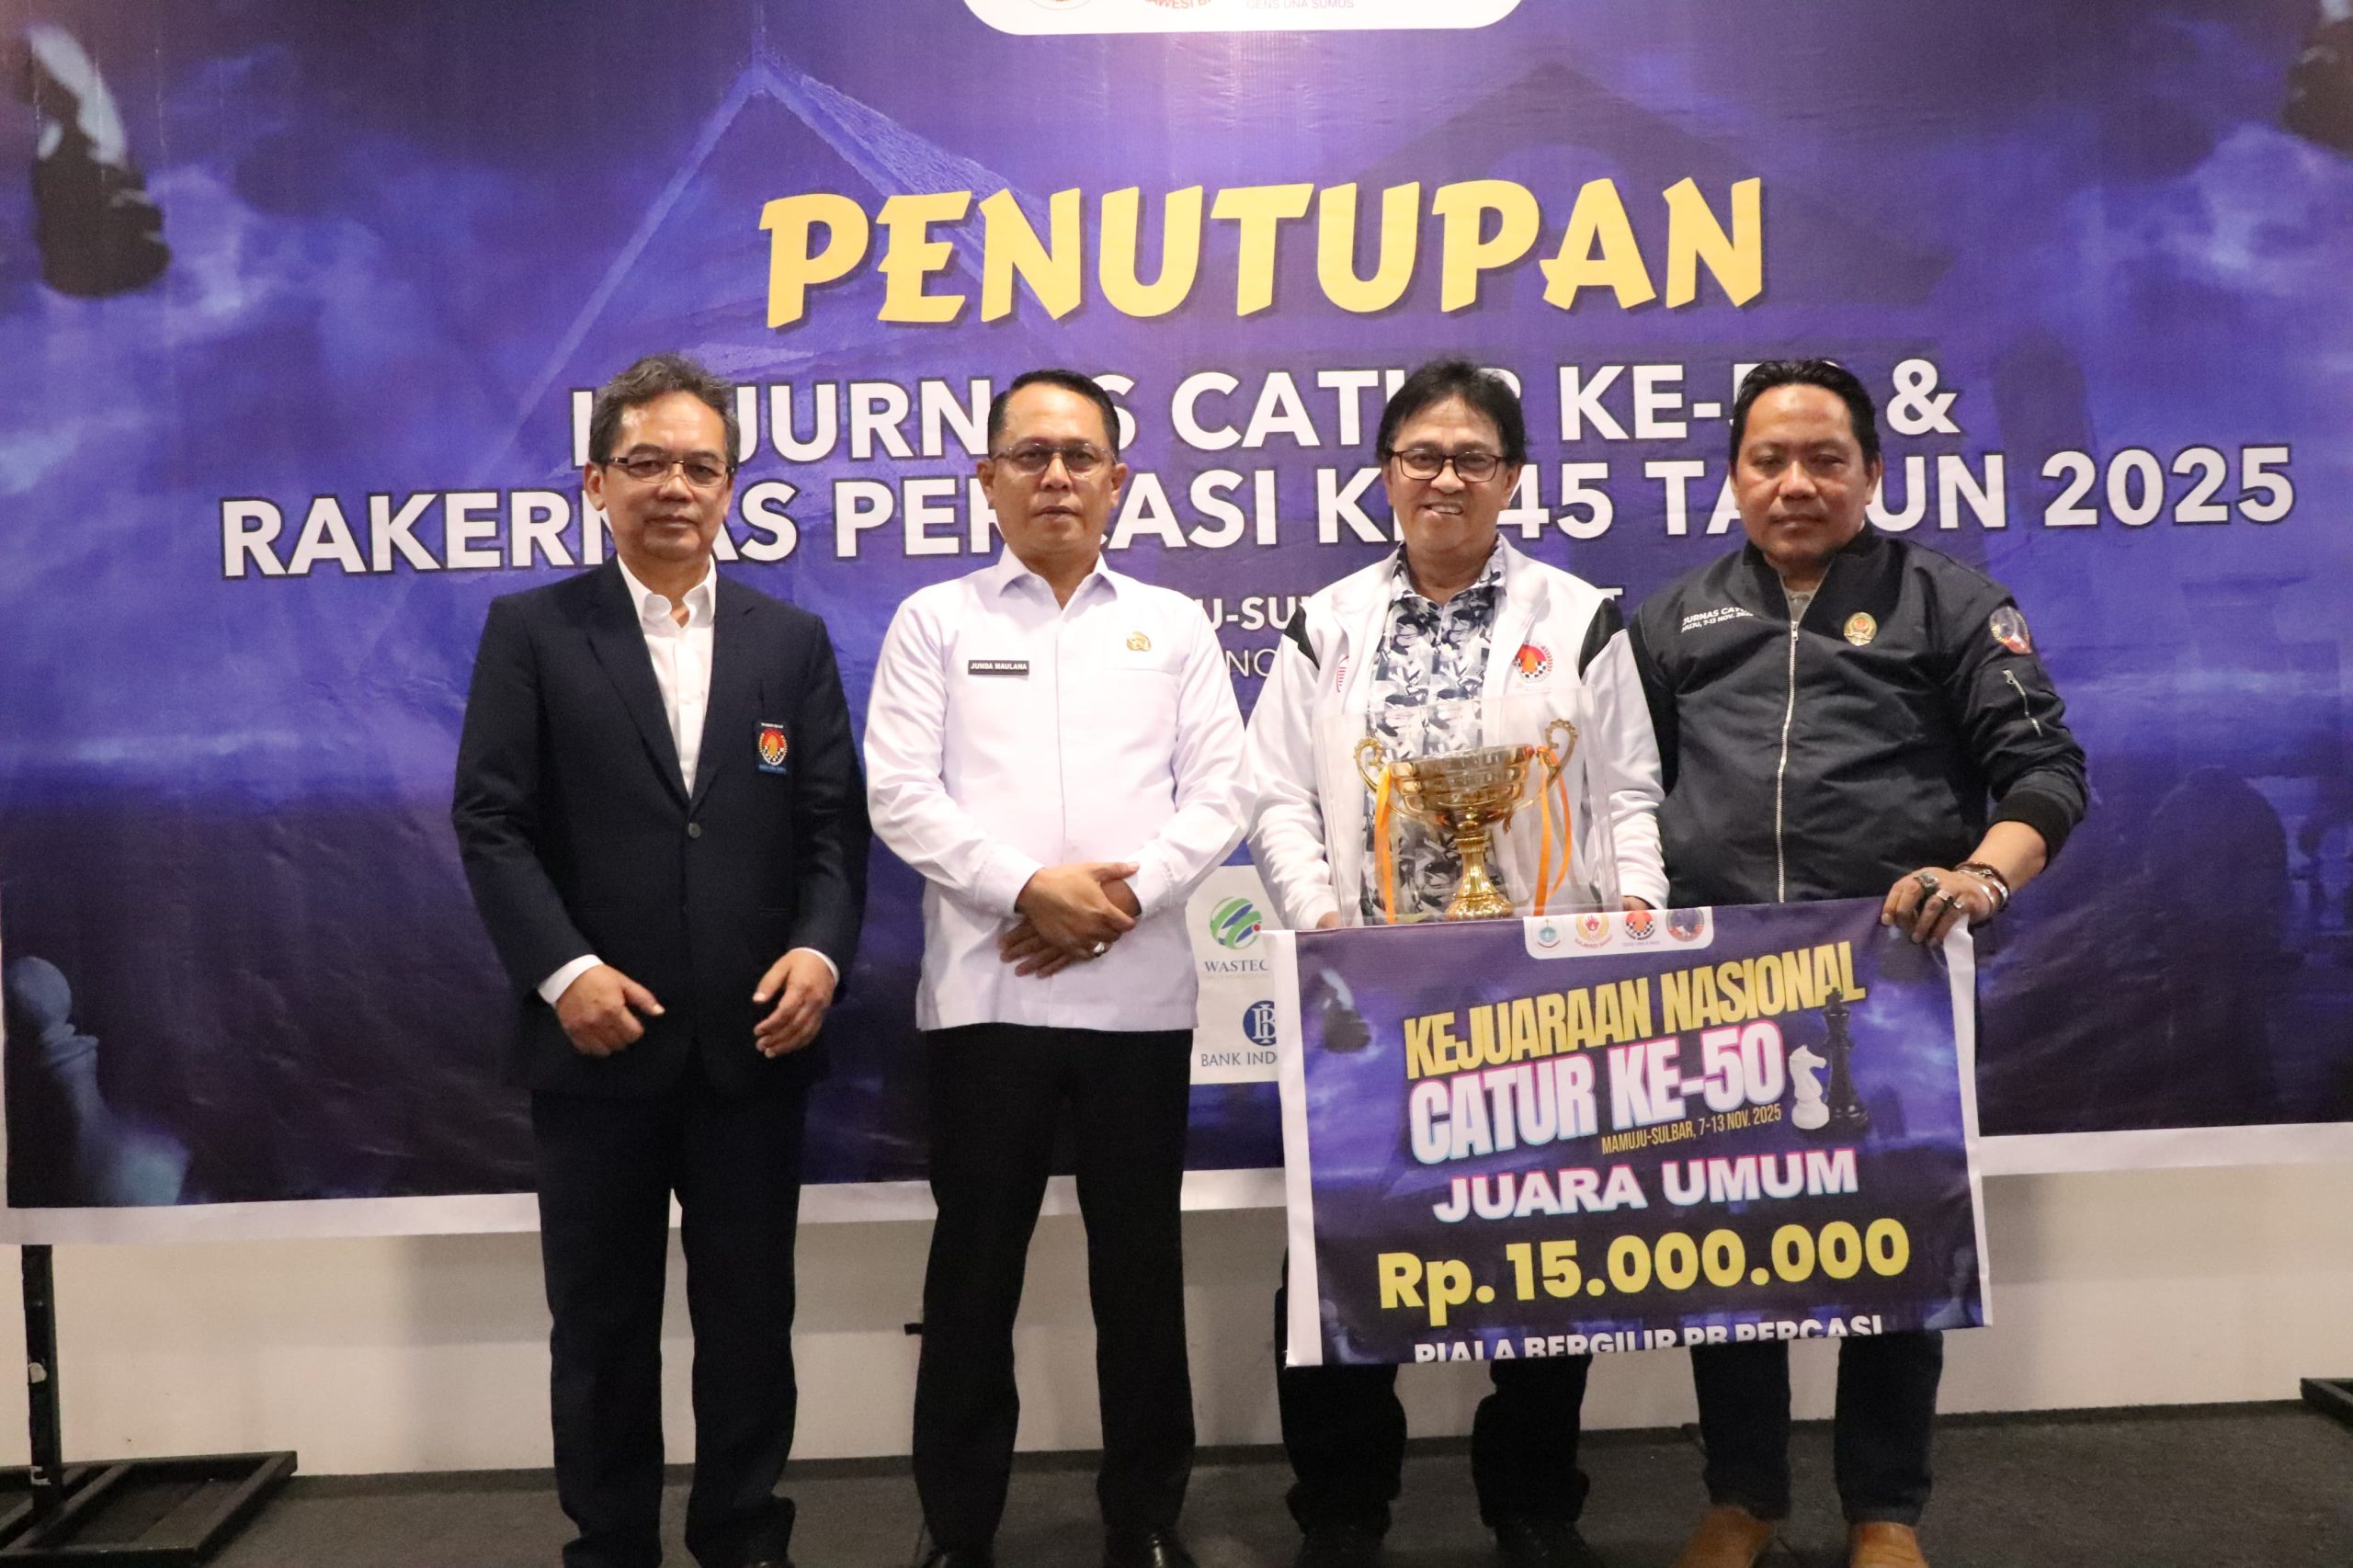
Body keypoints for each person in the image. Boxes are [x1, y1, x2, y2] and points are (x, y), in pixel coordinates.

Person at [1623, 359, 2087, 1568]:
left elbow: (2045, 773)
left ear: (1872, 472)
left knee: (1896, 1248)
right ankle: (1743, 1497)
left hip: (1894, 979)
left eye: (1824, 459)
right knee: (1727, 1248)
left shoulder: (1951, 602)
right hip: (1716, 986)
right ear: (1732, 477)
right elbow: (1625, 797)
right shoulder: (1670, 622)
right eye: (1768, 460)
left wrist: (1980, 877)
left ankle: (1885, 1508)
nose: (1796, 482)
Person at [1245, 359, 1668, 1568]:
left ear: (1512, 478)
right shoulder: (1325, 623)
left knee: (1541, 1249)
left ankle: (1533, 1502)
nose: (1445, 478)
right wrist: (1324, 920)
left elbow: (1627, 791)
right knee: (1342, 1249)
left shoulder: (1578, 617)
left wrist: (1636, 915)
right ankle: (1342, 1505)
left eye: (1471, 458)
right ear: (1387, 475)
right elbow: (1273, 795)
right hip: (1368, 998)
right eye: (1422, 457)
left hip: (1535, 993)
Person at [452, 353, 869, 1568]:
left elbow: (832, 829)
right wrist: (564, 973)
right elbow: (491, 820)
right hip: (596, 1047)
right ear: (596, 481)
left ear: (730, 486)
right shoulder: (533, 631)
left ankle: (744, 1535)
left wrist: (820, 952)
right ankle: (611, 1544)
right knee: (600, 1328)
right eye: (646, 463)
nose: (675, 487)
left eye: (700, 466)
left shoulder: (790, 641)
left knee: (750, 1322)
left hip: (755, 1042)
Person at [864, 369, 1251, 1568]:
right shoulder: (937, 621)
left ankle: (1145, 1516)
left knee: (1140, 1274)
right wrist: (1027, 888)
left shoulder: (1172, 625)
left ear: (1118, 481)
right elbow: (898, 793)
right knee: (973, 1275)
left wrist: (1122, 898)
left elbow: (1225, 792)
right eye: (1029, 455)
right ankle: (958, 1527)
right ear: (987, 480)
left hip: (1141, 998)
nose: (1056, 477)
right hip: (990, 995)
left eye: (1080, 456)